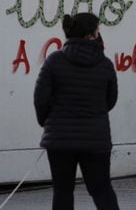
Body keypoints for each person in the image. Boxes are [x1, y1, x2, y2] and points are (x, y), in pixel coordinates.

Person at [34, 13, 120, 210]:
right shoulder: (105, 65)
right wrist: (94, 113)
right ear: (91, 35)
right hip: (96, 139)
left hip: (60, 139)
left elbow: (40, 99)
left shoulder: (54, 62)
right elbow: (111, 100)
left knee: (62, 191)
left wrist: (48, 123)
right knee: (102, 190)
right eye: (98, 30)